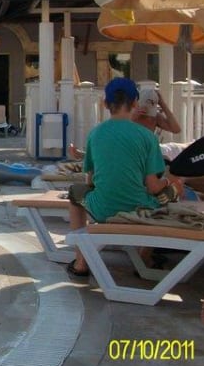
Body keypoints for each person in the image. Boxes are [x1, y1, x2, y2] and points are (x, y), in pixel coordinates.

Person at [66, 77, 184, 279]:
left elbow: (91, 182)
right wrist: (171, 182)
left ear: (105, 104)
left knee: (74, 195)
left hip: (102, 209)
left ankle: (81, 262)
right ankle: (144, 258)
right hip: (139, 210)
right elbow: (154, 187)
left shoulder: (95, 134)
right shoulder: (147, 137)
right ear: (135, 103)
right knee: (172, 193)